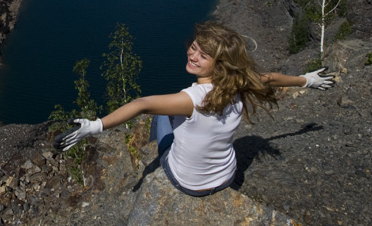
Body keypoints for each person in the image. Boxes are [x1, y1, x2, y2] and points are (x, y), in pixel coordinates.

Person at [54, 21, 334, 197]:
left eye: (203, 55)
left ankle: (152, 149)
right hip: (226, 178)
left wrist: (95, 126)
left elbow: (142, 104)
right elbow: (271, 78)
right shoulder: (240, 83)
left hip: (187, 183)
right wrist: (307, 80)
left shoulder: (190, 99)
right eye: (195, 47)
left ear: (219, 64)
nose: (193, 54)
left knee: (162, 114)